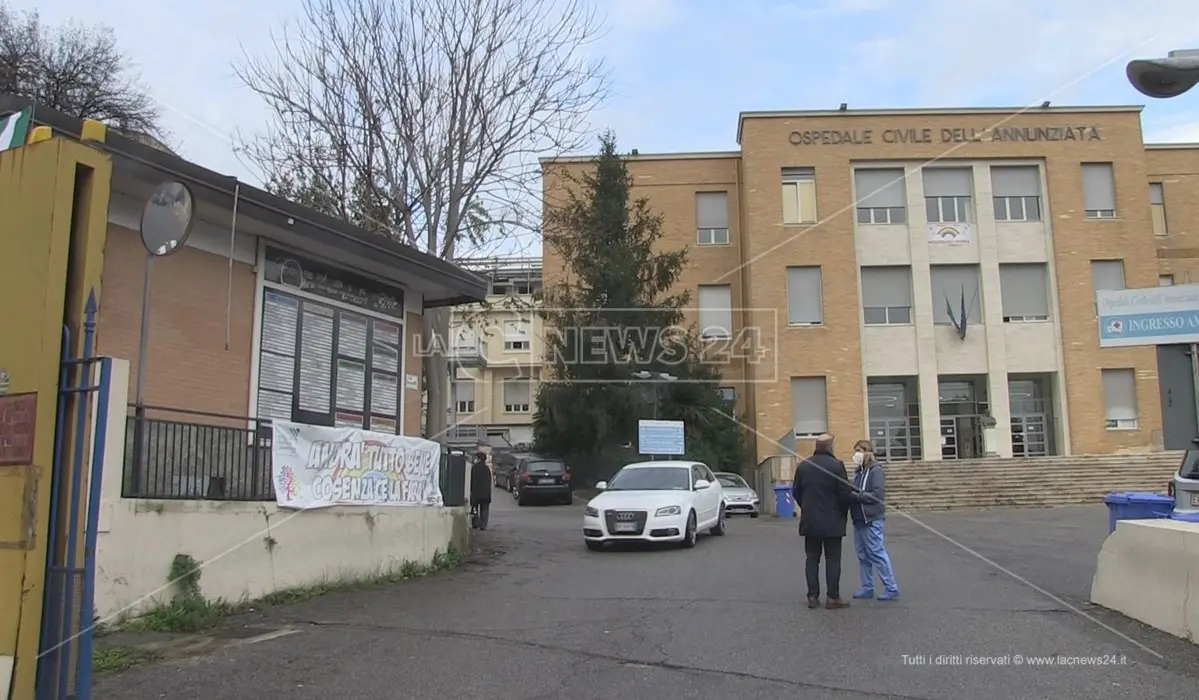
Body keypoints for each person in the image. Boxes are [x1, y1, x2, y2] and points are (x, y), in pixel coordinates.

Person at [792, 433, 856, 609]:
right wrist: (842, 512)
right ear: (830, 447)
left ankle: (812, 596)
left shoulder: (804, 466)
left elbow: (796, 492)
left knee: (812, 559)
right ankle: (832, 597)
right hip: (832, 520)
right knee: (832, 559)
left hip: (810, 520)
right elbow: (844, 494)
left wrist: (806, 507)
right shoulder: (837, 466)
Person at [849, 440, 900, 601]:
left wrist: (857, 496)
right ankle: (867, 587)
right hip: (858, 519)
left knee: (877, 553)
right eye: (855, 450)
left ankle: (891, 587)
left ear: (868, 452)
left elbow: (877, 495)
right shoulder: (859, 472)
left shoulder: (876, 471)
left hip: (871, 518)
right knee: (862, 555)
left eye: (859, 450)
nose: (856, 454)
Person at [470, 450, 492, 530]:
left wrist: (471, 492)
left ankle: (475, 523)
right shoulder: (487, 468)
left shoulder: (475, 468)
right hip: (486, 493)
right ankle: (483, 525)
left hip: (476, 493)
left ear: (478, 459)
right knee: (484, 510)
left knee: (475, 508)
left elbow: (472, 481)